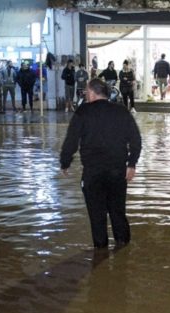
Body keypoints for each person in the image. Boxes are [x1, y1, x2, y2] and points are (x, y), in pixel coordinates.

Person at [60, 78, 142, 249]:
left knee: (97, 217)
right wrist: (131, 164)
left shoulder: (83, 112)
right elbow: (136, 140)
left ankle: (100, 255)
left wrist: (65, 162)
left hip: (93, 173)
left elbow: (71, 140)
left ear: (91, 92)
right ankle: (124, 252)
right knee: (118, 213)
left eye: (86, 92)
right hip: (118, 172)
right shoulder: (121, 111)